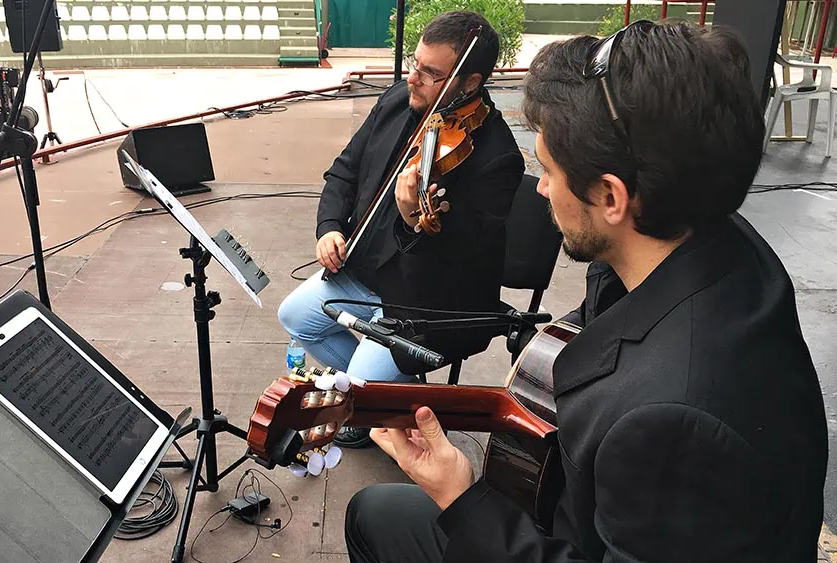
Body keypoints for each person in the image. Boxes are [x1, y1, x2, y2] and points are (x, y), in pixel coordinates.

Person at [344, 20, 829, 562]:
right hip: (590, 505)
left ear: (612, 197)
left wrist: (461, 496)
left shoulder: (677, 424)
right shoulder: (704, 235)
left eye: (549, 171)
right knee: (376, 511)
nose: (542, 189)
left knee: (376, 518)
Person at [277, 11, 526, 448]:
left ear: (470, 83)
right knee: (295, 317)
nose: (413, 78)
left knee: (358, 383)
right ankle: (383, 401)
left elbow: (469, 257)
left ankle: (374, 402)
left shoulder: (497, 156)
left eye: (431, 74)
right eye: (415, 63)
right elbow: (345, 171)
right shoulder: (397, 99)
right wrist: (329, 228)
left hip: (422, 302)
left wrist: (415, 222)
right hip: (361, 272)